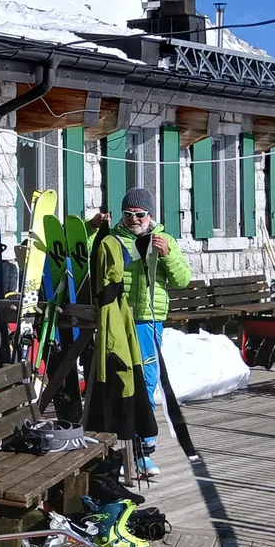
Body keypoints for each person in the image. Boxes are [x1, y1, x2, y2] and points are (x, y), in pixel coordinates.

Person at [117, 187, 192, 478]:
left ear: (150, 215)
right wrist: (91, 229)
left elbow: (183, 279)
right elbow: (87, 258)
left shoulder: (164, 239)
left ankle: (144, 451)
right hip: (118, 320)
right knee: (120, 384)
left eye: (139, 214)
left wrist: (168, 254)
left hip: (148, 320)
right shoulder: (113, 239)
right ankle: (123, 449)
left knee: (147, 382)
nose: (134, 220)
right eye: (128, 215)